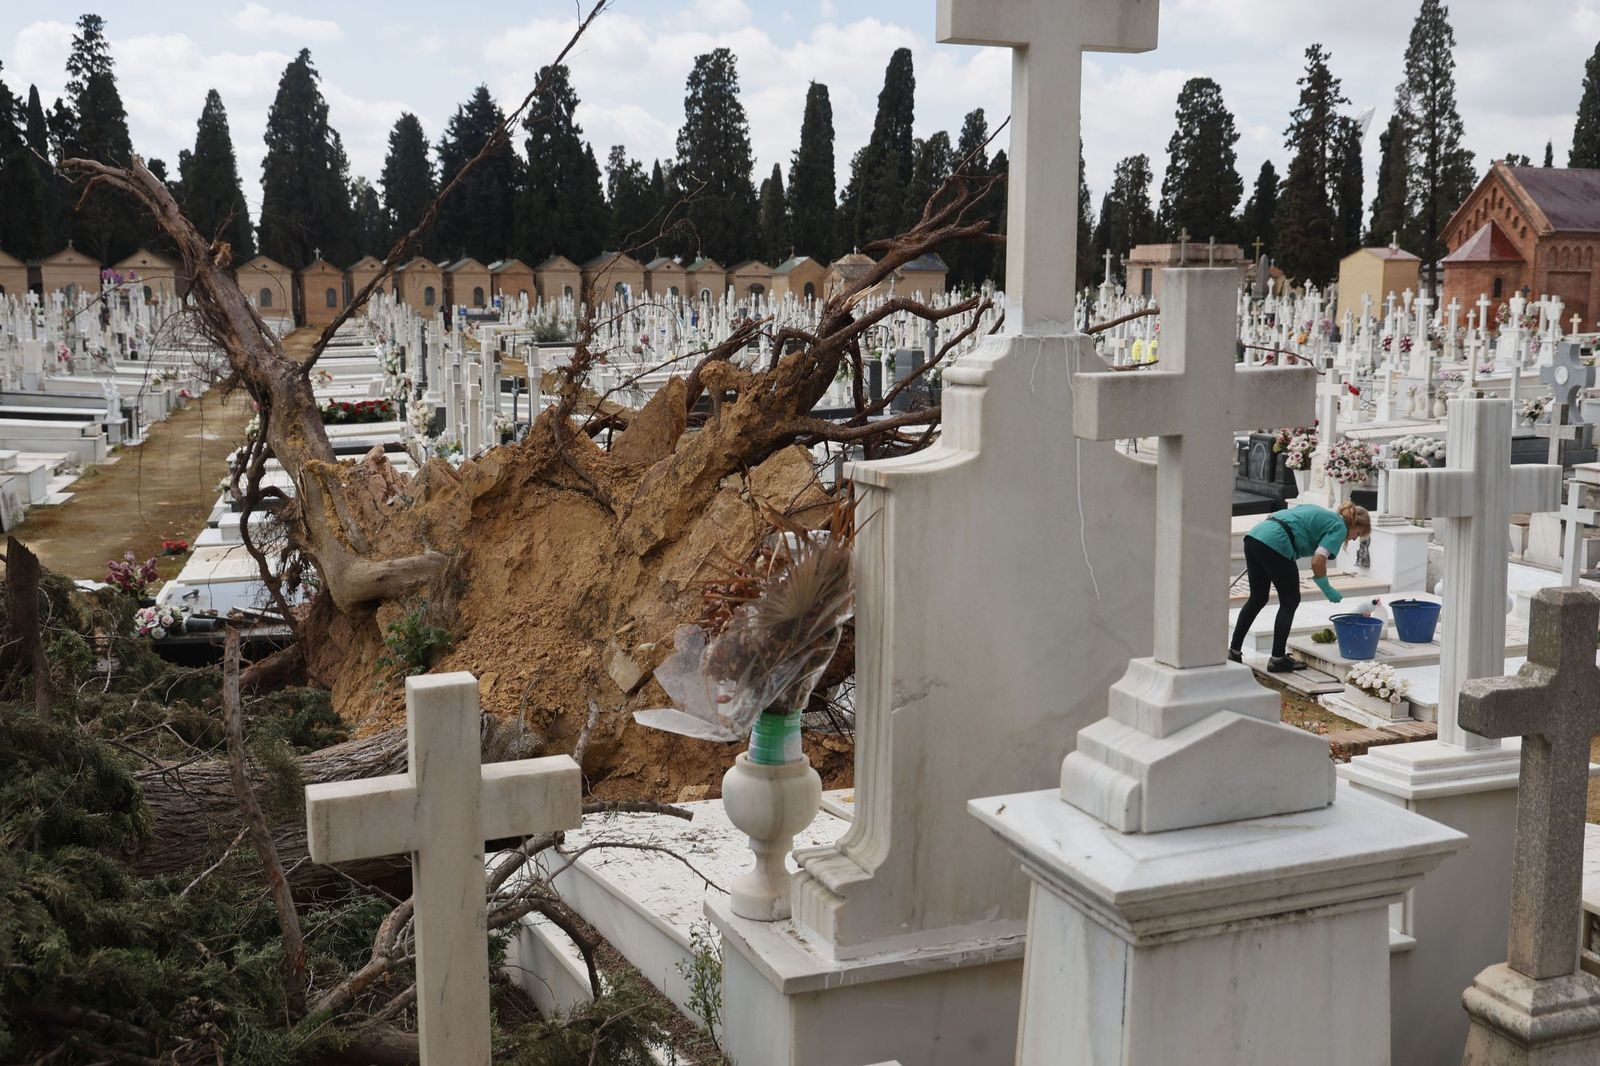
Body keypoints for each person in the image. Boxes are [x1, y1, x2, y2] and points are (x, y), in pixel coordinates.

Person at [1229, 501, 1371, 673]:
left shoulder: (1323, 513)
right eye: (1358, 533)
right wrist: (1326, 588)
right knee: (1290, 601)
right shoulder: (1340, 527)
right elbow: (1318, 561)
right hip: (1276, 542)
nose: (1355, 538)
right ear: (1353, 524)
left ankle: (1234, 651)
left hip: (1255, 536)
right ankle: (1277, 659)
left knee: (1257, 598)